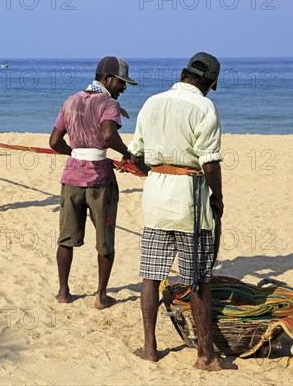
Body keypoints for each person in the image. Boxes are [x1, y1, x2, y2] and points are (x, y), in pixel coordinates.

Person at [127, 52, 237, 371]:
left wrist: (148, 166)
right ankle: (205, 355)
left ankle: (149, 348)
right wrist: (217, 197)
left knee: (151, 275)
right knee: (199, 279)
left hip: (156, 197)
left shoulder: (152, 102)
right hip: (189, 198)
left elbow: (137, 156)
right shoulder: (204, 107)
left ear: (182, 73)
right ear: (212, 83)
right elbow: (209, 162)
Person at [49, 56, 138, 309]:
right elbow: (109, 134)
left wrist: (75, 154)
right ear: (107, 79)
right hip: (100, 179)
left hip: (71, 179)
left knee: (66, 239)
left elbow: (54, 142)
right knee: (105, 240)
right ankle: (100, 296)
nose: (124, 88)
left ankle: (64, 292)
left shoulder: (70, 101)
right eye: (121, 82)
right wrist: (126, 154)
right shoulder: (107, 103)